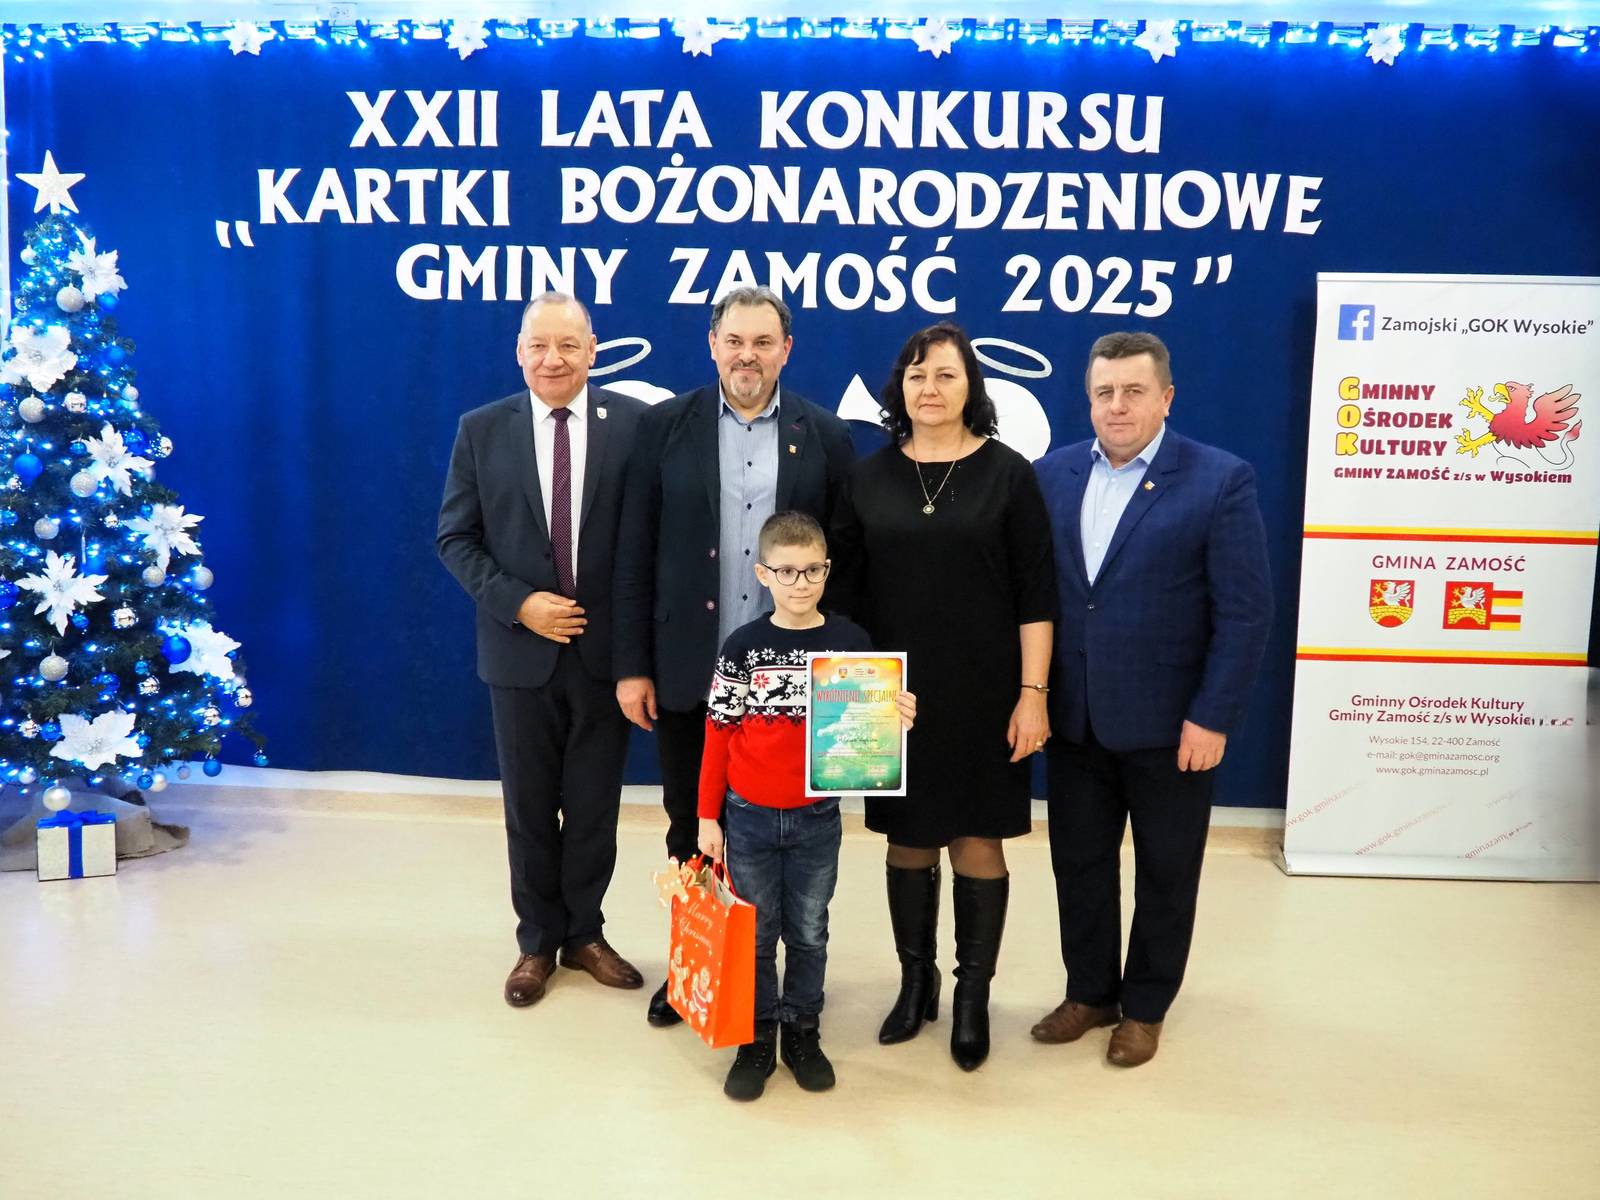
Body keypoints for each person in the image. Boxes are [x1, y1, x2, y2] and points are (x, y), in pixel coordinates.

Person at [613, 286, 856, 1028]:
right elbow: (633, 554)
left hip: (797, 684)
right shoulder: (663, 427)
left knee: (792, 840)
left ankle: (781, 984)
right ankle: (694, 966)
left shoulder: (825, 435)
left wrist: (852, 677)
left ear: (787, 350)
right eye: (735, 340)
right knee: (691, 823)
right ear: (712, 345)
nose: (747, 356)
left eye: (763, 342)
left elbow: (848, 564)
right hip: (690, 668)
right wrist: (632, 665)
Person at [1031, 331, 1272, 1067]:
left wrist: (1213, 716)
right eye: (1104, 392)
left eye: (1134, 391)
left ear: (1166, 397)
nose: (1117, 405)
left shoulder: (1219, 479)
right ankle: (1090, 992)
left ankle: (1144, 1008)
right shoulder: (1051, 475)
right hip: (1076, 720)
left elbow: (1245, 613)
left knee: (1167, 874)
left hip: (1174, 727)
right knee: (1079, 865)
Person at [830, 321, 1056, 1072]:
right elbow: (844, 599)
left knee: (978, 841)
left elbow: (1036, 596)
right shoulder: (866, 478)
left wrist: (1033, 694)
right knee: (908, 839)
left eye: (946, 375)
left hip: (987, 693)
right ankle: (915, 982)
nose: (930, 388)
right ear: (899, 387)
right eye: (917, 374)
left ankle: (972, 996)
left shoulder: (1008, 474)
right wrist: (853, 696)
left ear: (971, 387)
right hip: (894, 694)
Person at [437, 292, 648, 1009]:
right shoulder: (481, 429)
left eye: (568, 345)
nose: (553, 359)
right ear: (519, 352)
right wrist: (519, 603)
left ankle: (585, 934)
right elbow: (455, 539)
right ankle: (537, 943)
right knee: (529, 810)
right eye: (539, 345)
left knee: (594, 808)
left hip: (605, 658)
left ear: (593, 350)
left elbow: (647, 541)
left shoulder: (634, 426)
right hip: (518, 656)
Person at [695, 511, 916, 1100]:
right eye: (787, 571)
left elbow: (869, 724)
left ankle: (802, 1029)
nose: (800, 583)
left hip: (817, 818)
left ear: (827, 570)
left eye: (812, 570)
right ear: (763, 573)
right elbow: (718, 735)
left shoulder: (851, 643)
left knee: (810, 931)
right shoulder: (743, 648)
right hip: (748, 816)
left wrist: (895, 717)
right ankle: (756, 1035)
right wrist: (708, 815)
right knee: (756, 934)